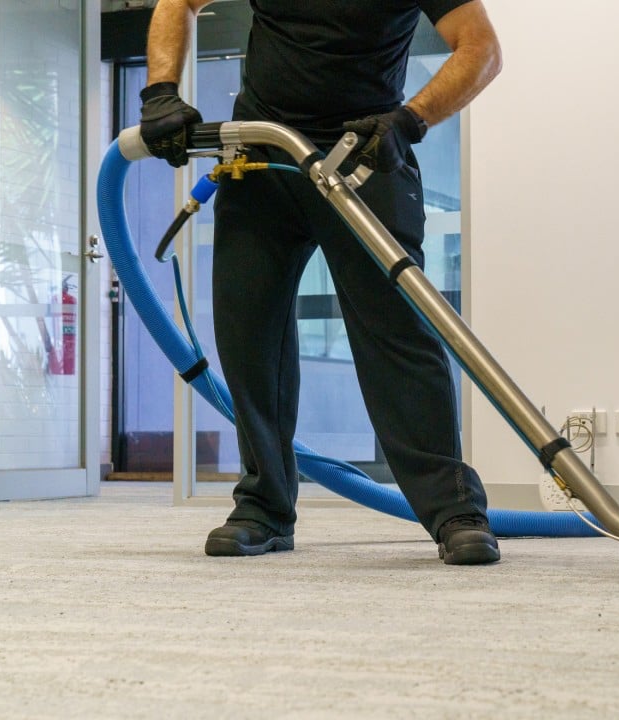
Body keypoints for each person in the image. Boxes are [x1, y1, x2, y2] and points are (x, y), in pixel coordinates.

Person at [139, 0, 503, 564]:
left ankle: (454, 509)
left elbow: (481, 49)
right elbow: (177, 3)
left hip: (366, 149)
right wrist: (160, 92)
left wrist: (408, 121)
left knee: (398, 334)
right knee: (249, 332)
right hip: (264, 149)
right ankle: (263, 506)